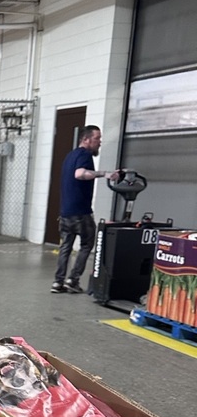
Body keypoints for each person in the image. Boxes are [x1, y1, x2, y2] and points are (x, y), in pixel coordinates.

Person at [51, 125, 120, 294]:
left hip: (65, 212)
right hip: (80, 212)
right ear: (86, 139)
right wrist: (104, 174)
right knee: (87, 244)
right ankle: (73, 280)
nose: (99, 143)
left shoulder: (70, 155)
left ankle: (58, 282)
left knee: (65, 247)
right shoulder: (85, 155)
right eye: (97, 139)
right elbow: (79, 174)